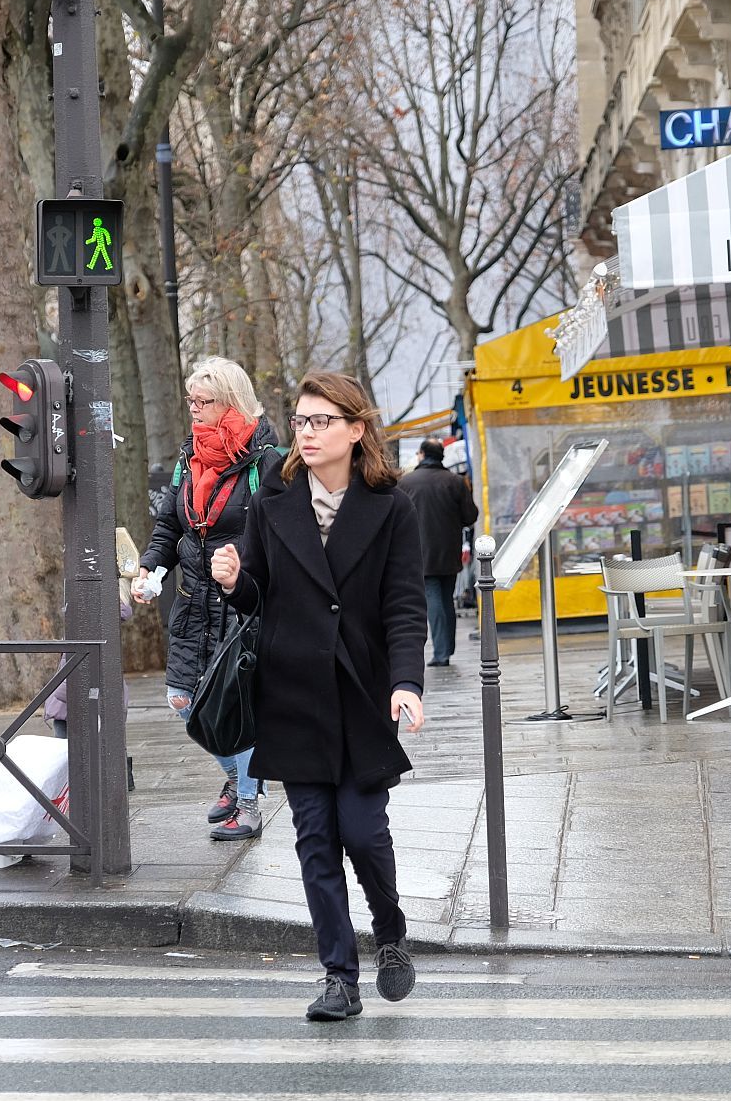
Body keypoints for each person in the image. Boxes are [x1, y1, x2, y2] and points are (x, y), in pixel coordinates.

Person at [210, 370, 427, 1022]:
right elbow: (259, 596)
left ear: (356, 430)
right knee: (314, 840)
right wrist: (233, 579)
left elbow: (405, 607)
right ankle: (339, 976)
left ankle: (390, 930)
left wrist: (407, 683)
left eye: (322, 421)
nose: (307, 432)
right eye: (301, 421)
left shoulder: (393, 507)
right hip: (293, 695)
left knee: (362, 833)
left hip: (362, 696)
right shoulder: (273, 504)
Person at [136, 357, 284, 841]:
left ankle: (248, 801)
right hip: (192, 604)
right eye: (191, 401)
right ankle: (237, 775)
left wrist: (240, 566)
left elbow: (277, 533)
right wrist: (150, 567)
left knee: (234, 704)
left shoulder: (265, 461)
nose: (194, 410)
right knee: (183, 698)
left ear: (231, 402)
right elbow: (170, 526)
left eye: (204, 401)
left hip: (240, 605)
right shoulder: (189, 458)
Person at [397, 438, 479, 666]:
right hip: (449, 550)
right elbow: (470, 516)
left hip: (420, 552)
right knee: (446, 599)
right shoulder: (455, 482)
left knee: (433, 599)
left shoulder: (406, 482)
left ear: (422, 454)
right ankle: (446, 649)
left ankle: (442, 653)